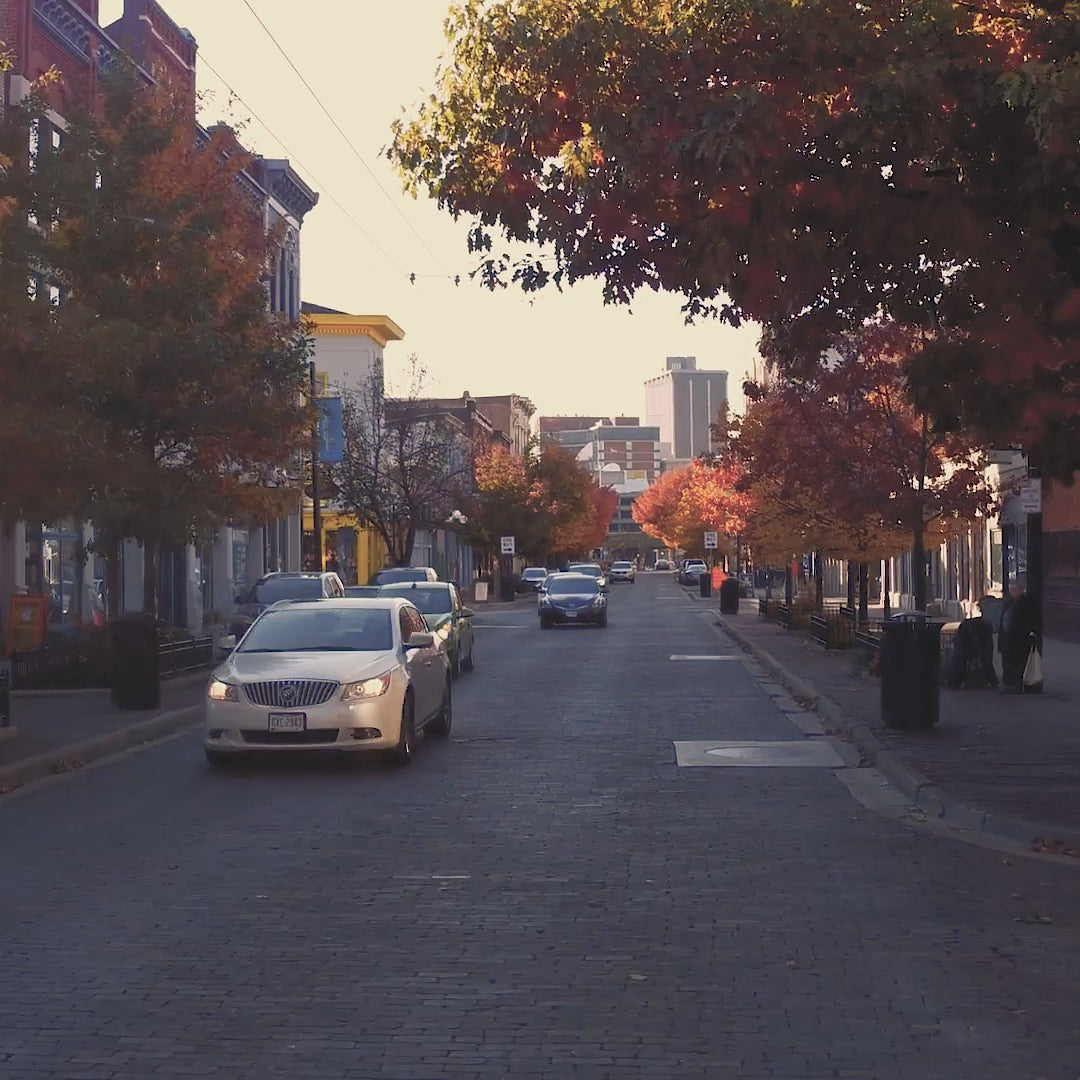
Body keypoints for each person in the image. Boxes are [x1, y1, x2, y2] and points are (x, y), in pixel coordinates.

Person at [998, 578, 1040, 693]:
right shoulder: (1009, 603)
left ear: (1021, 590)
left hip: (1019, 639)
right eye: (1011, 588)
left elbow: (1033, 621)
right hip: (1007, 638)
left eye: (1014, 588)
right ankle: (1008, 684)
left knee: (1017, 663)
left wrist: (1032, 634)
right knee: (1007, 663)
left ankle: (1016, 686)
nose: (1012, 591)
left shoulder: (1027, 603)